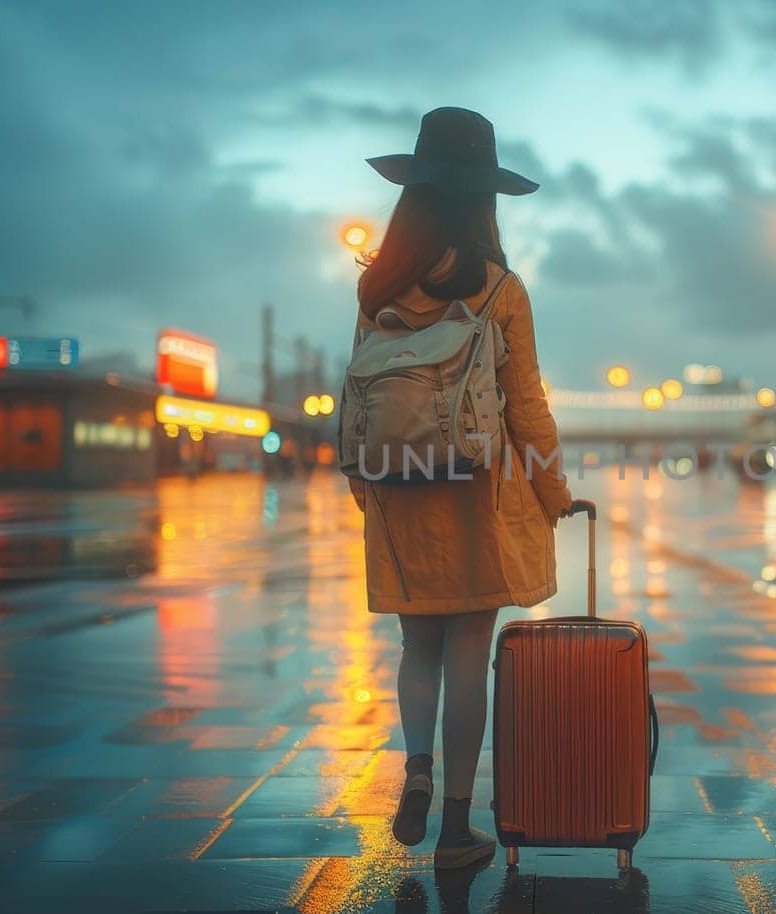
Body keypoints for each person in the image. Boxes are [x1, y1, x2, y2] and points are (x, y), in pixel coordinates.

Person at [349, 108, 573, 870]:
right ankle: (454, 825)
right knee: (467, 653)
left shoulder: (377, 285)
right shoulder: (498, 288)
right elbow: (529, 407)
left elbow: (357, 400)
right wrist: (553, 493)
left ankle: (415, 771)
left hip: (397, 492)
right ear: (485, 199)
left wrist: (365, 489)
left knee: (418, 646)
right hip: (477, 490)